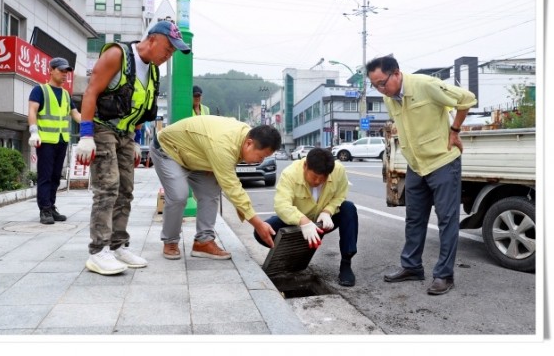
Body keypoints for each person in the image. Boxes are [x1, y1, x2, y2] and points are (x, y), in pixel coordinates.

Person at [76, 20, 191, 275]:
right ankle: (98, 251)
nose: (169, 54)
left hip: (126, 134)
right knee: (108, 188)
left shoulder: (152, 72)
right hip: (102, 127)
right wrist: (85, 136)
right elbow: (91, 92)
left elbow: (139, 107)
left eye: (173, 51)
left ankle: (117, 246)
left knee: (126, 190)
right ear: (152, 39)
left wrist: (136, 140)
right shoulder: (117, 55)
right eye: (168, 48)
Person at [366, 55, 477, 295]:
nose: (380, 89)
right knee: (414, 218)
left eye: (382, 83)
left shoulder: (425, 85)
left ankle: (444, 275)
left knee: (447, 220)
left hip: (442, 161)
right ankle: (412, 266)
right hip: (415, 165)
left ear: (396, 73)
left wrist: (455, 130)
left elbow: (467, 99)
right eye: (374, 85)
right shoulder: (389, 99)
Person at [150, 115, 281, 260]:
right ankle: (170, 241)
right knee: (179, 195)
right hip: (168, 150)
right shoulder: (223, 145)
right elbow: (233, 188)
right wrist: (258, 224)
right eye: (261, 157)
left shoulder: (244, 135)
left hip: (195, 154)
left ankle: (203, 242)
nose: (260, 161)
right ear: (249, 143)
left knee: (211, 191)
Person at [253, 147, 359, 287]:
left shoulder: (338, 170)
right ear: (305, 166)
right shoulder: (290, 174)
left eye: (323, 179)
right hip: (297, 222)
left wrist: (328, 211)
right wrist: (302, 220)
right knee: (262, 232)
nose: (317, 182)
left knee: (349, 208)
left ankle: (346, 264)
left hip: (323, 222)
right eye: (314, 177)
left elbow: (341, 195)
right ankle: (293, 254)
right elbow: (281, 205)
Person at [28, 57, 81, 225]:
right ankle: (44, 209)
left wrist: (91, 122)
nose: (65, 75)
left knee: (56, 176)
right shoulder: (40, 90)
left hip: (61, 140)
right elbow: (32, 111)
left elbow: (75, 115)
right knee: (45, 176)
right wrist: (33, 132)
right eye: (61, 71)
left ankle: (51, 206)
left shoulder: (66, 94)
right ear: (51, 70)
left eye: (67, 72)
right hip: (45, 141)